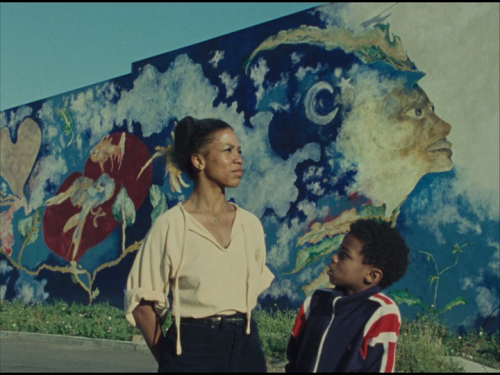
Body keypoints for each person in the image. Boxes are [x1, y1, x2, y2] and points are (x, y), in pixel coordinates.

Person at [124, 116, 275, 373]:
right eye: (227, 150)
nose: (238, 159)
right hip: (192, 347)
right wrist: (173, 362)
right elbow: (141, 307)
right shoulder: (171, 226)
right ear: (198, 160)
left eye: (239, 151)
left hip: (247, 346)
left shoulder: (250, 225)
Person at [285, 219, 410, 373]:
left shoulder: (380, 311)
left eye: (344, 255)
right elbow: (294, 359)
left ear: (372, 275)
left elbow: (378, 367)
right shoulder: (315, 302)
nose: (334, 258)